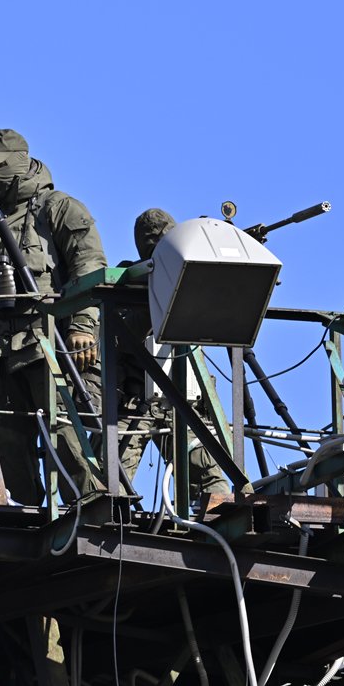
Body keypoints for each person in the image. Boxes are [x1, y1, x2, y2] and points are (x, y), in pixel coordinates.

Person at [0, 129, 106, 506]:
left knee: (65, 435)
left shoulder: (58, 208)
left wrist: (82, 326)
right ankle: (26, 512)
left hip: (47, 345)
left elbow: (89, 266)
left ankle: (89, 506)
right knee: (6, 445)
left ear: (16, 164)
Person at [115, 208, 234, 499]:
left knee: (213, 487)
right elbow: (122, 335)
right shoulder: (128, 281)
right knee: (109, 484)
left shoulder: (187, 279)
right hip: (135, 402)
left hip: (182, 402)